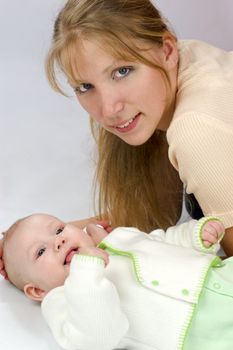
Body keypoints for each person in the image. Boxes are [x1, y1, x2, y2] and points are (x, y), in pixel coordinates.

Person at [1, 0, 233, 274]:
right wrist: (38, 243)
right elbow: (149, 213)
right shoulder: (183, 62)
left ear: (167, 50)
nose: (108, 109)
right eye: (85, 86)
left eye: (122, 72)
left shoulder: (197, 128)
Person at [2, 213, 232, 349]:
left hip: (220, 274)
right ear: (36, 291)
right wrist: (86, 272)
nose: (58, 241)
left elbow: (160, 241)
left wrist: (194, 236)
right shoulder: (60, 300)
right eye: (40, 252)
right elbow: (97, 338)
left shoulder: (117, 238)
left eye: (59, 229)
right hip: (203, 335)